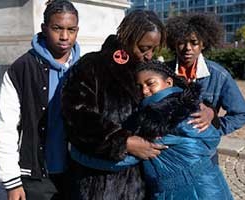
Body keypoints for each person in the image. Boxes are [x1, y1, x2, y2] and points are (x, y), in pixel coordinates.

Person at [61, 10, 167, 199]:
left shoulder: (151, 71)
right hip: (98, 183)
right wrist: (123, 142)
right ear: (126, 38)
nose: (149, 55)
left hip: (140, 183)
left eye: (154, 49)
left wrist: (208, 113)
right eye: (144, 48)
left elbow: (174, 99)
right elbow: (77, 118)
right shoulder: (91, 66)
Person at [0, 1, 80, 199]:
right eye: (57, 28)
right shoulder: (21, 69)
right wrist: (11, 182)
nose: (65, 36)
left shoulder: (85, 68)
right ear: (44, 28)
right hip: (37, 177)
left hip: (76, 172)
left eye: (71, 29)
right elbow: (5, 127)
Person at [131, 60, 233, 199]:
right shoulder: (189, 105)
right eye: (139, 86)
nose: (144, 91)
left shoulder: (167, 116)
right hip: (210, 185)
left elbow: (130, 157)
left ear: (168, 83)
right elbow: (212, 138)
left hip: (189, 192)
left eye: (150, 83)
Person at [165, 13, 245, 141]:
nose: (187, 48)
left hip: (203, 152)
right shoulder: (163, 72)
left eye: (194, 43)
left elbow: (241, 114)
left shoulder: (219, 75)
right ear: (174, 44)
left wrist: (213, 127)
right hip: (168, 148)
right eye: (182, 42)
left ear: (203, 44)